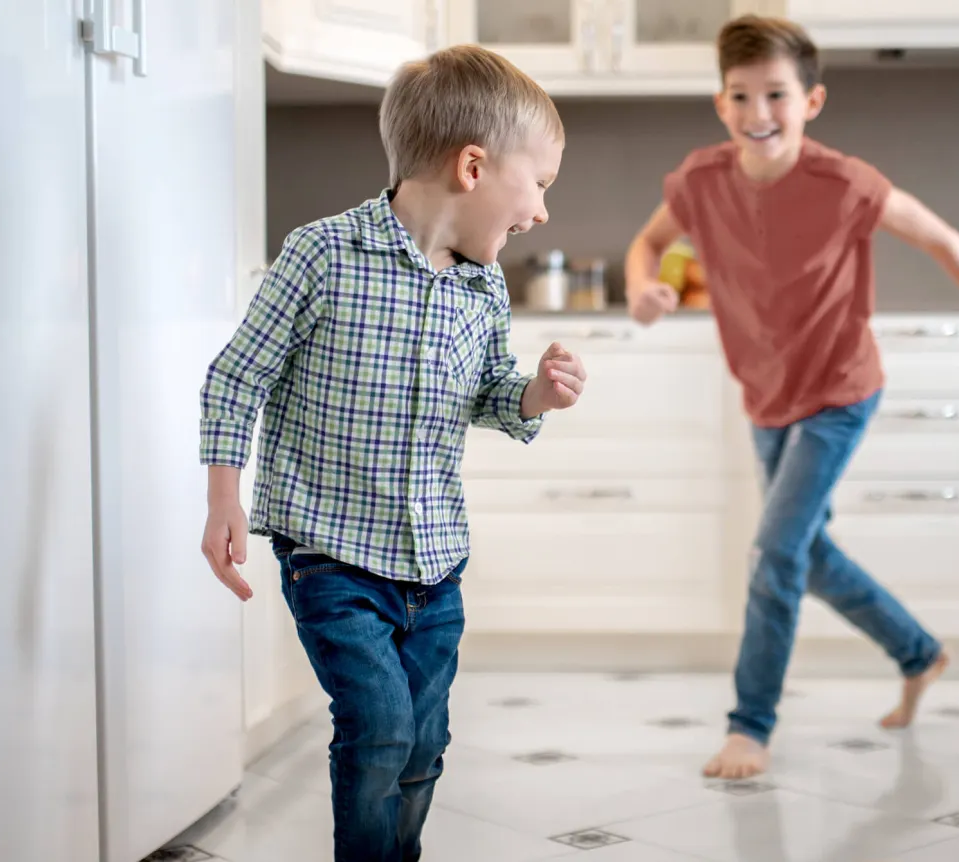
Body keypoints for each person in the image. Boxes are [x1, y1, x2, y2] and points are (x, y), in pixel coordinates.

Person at [196, 45, 585, 862]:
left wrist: (534, 396)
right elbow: (238, 376)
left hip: (435, 565)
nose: (543, 211)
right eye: (541, 183)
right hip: (332, 556)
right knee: (378, 731)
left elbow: (487, 390)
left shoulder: (483, 286)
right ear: (473, 167)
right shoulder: (322, 255)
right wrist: (224, 499)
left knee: (422, 744)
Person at [625, 14, 959, 781]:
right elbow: (648, 244)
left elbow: (941, 237)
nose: (758, 113)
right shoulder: (701, 181)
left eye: (776, 94)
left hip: (840, 392)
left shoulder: (845, 182)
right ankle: (919, 652)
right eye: (741, 96)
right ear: (721, 103)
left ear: (811, 101)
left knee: (775, 553)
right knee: (805, 555)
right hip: (766, 397)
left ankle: (749, 726)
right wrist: (640, 289)